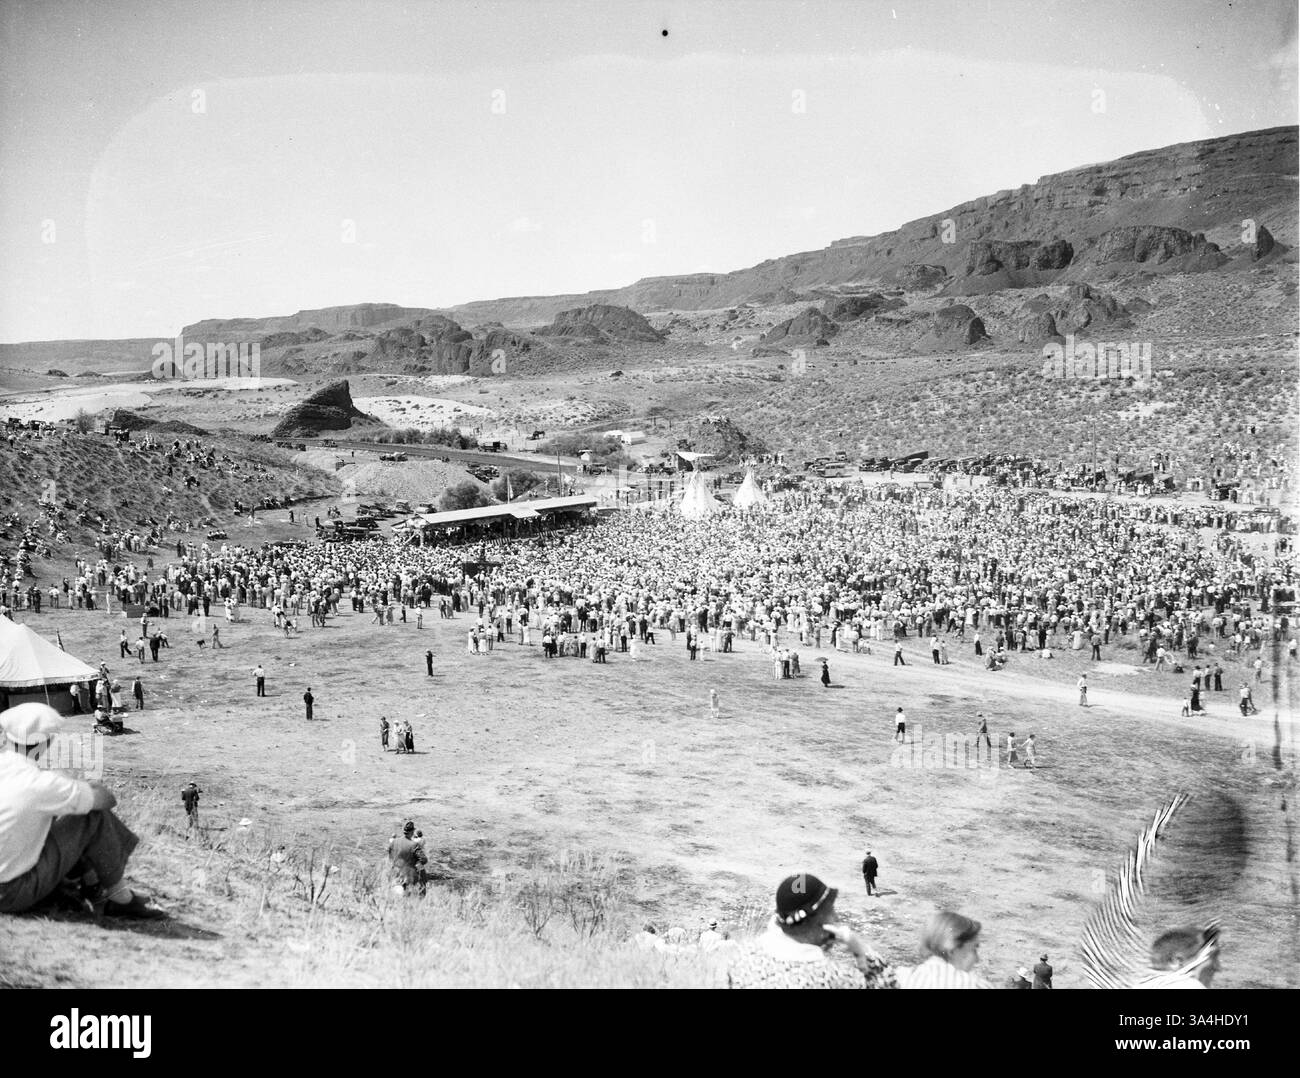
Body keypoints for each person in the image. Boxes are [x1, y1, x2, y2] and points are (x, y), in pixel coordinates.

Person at [0, 703, 164, 918]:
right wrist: (72, 782)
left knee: (59, 814)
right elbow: (106, 799)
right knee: (90, 815)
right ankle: (120, 899)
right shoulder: (41, 783)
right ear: (46, 742)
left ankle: (91, 883)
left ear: (7, 737)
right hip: (11, 894)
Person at [727, 873, 896, 988]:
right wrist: (860, 951)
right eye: (831, 911)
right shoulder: (834, 977)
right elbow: (889, 983)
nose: (836, 918)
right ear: (820, 922)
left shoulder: (741, 956)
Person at [897, 911, 994, 988]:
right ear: (953, 948)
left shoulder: (899, 978)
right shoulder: (976, 985)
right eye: (973, 949)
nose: (977, 960)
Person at [1133, 926, 1220, 989]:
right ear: (1176, 961)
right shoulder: (1188, 986)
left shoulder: (1137, 984)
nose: (1217, 967)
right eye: (1212, 957)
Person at [387, 821, 428, 896]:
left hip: (396, 874)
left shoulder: (394, 842)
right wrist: (417, 864)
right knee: (422, 884)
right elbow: (424, 859)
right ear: (412, 832)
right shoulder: (414, 845)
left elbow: (390, 855)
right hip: (409, 876)